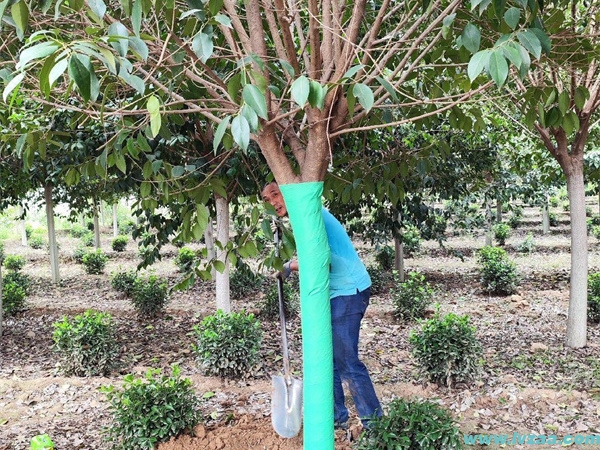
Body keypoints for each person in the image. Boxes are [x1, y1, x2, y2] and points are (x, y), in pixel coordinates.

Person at [261, 181, 382, 431]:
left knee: (347, 362)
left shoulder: (311, 215)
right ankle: (337, 418)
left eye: (275, 194)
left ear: (289, 191)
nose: (273, 202)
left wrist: (289, 267)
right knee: (331, 360)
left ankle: (375, 425)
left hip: (349, 289)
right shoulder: (302, 216)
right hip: (337, 292)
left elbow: (321, 260)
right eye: (267, 199)